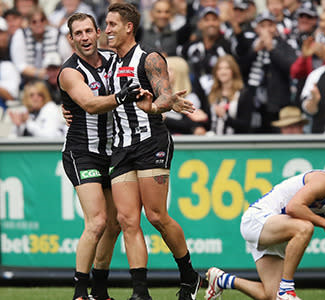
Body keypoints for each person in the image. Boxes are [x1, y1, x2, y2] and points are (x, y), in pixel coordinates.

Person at [104, 3, 199, 300]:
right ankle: (140, 292)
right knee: (127, 219)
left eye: (111, 24)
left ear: (128, 27)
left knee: (156, 215)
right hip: (121, 146)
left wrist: (156, 105)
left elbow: (166, 93)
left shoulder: (149, 57)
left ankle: (189, 275)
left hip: (151, 142)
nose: (106, 30)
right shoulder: (107, 62)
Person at [58, 12, 146, 300]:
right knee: (96, 221)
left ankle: (99, 288)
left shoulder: (113, 61)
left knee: (115, 223)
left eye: (88, 31)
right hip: (82, 152)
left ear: (97, 32)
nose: (84, 37)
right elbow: (90, 104)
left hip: (113, 151)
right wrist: (123, 96)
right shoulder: (70, 72)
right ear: (71, 39)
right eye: (77, 34)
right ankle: (80, 291)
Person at [205, 164, 325, 300]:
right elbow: (293, 207)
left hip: (277, 231)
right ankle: (287, 288)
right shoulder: (324, 181)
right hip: (258, 219)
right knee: (305, 227)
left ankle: (221, 279)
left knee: (269, 296)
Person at [9, 6, 72, 81]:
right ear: (29, 23)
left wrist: (54, 73)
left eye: (42, 20)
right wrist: (39, 73)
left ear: (46, 21)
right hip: (28, 80)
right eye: (34, 21)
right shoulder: (20, 35)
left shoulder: (57, 34)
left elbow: (67, 59)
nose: (38, 24)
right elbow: (20, 65)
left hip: (56, 79)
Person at [207, 54, 253, 135]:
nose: (223, 72)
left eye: (227, 68)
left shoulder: (243, 94)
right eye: (220, 69)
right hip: (213, 141)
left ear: (233, 71)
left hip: (234, 143)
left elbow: (246, 125)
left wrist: (225, 117)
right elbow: (209, 121)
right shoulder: (212, 93)